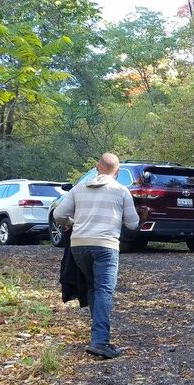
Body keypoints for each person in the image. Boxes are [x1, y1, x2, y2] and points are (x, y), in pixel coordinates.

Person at [54, 152, 139, 359]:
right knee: (104, 290)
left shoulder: (79, 188)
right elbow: (133, 223)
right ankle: (100, 341)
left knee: (94, 286)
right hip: (106, 246)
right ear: (117, 171)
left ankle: (98, 337)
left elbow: (58, 215)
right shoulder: (121, 191)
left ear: (96, 167)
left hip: (79, 246)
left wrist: (75, 223)